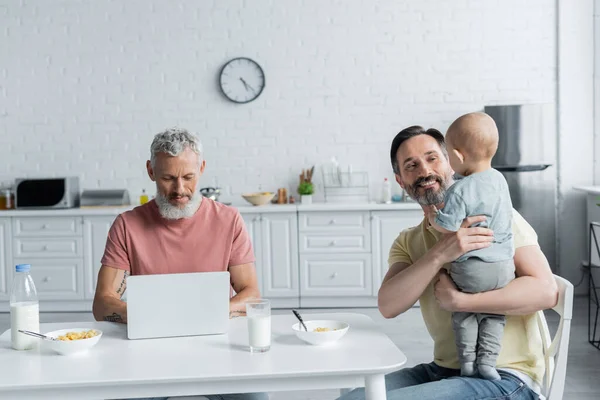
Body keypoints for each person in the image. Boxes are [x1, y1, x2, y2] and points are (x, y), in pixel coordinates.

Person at [337, 123, 558, 400]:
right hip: (444, 371)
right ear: (400, 181)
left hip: (507, 377)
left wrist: (463, 303)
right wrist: (441, 253)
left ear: (451, 163)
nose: (425, 171)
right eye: (411, 165)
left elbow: (546, 291)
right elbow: (388, 305)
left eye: (432, 158)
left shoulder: (496, 218)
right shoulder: (408, 241)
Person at [92, 127, 268, 400]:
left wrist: (211, 312)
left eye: (188, 177)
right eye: (168, 178)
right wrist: (150, 316)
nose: (179, 189)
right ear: (151, 171)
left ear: (202, 168)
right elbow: (103, 304)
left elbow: (251, 293)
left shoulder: (229, 220)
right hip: (148, 350)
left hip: (217, 345)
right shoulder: (127, 225)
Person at [424, 112, 515, 380]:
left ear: (458, 156)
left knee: (464, 314)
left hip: (473, 268)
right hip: (503, 267)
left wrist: (433, 216)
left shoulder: (460, 189)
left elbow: (450, 226)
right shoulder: (500, 180)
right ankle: (488, 362)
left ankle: (466, 362)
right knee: (493, 316)